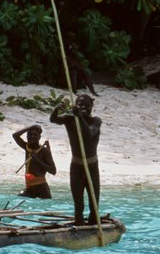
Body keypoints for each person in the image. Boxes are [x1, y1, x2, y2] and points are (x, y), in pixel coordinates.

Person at [50, 94, 102, 225]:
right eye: (80, 105)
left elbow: (89, 134)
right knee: (78, 204)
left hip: (91, 166)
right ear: (75, 105)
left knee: (94, 204)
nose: (83, 107)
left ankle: (94, 226)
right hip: (76, 166)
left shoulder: (96, 121)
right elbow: (53, 119)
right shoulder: (69, 119)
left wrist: (79, 117)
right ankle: (79, 226)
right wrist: (57, 109)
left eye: (87, 105)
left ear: (92, 106)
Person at [12, 124, 57, 199]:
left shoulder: (44, 151)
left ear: (39, 137)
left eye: (35, 135)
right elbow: (15, 135)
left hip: (42, 188)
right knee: (18, 199)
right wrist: (30, 127)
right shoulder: (27, 147)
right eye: (30, 135)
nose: (32, 137)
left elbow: (53, 171)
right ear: (27, 137)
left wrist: (37, 160)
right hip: (30, 187)